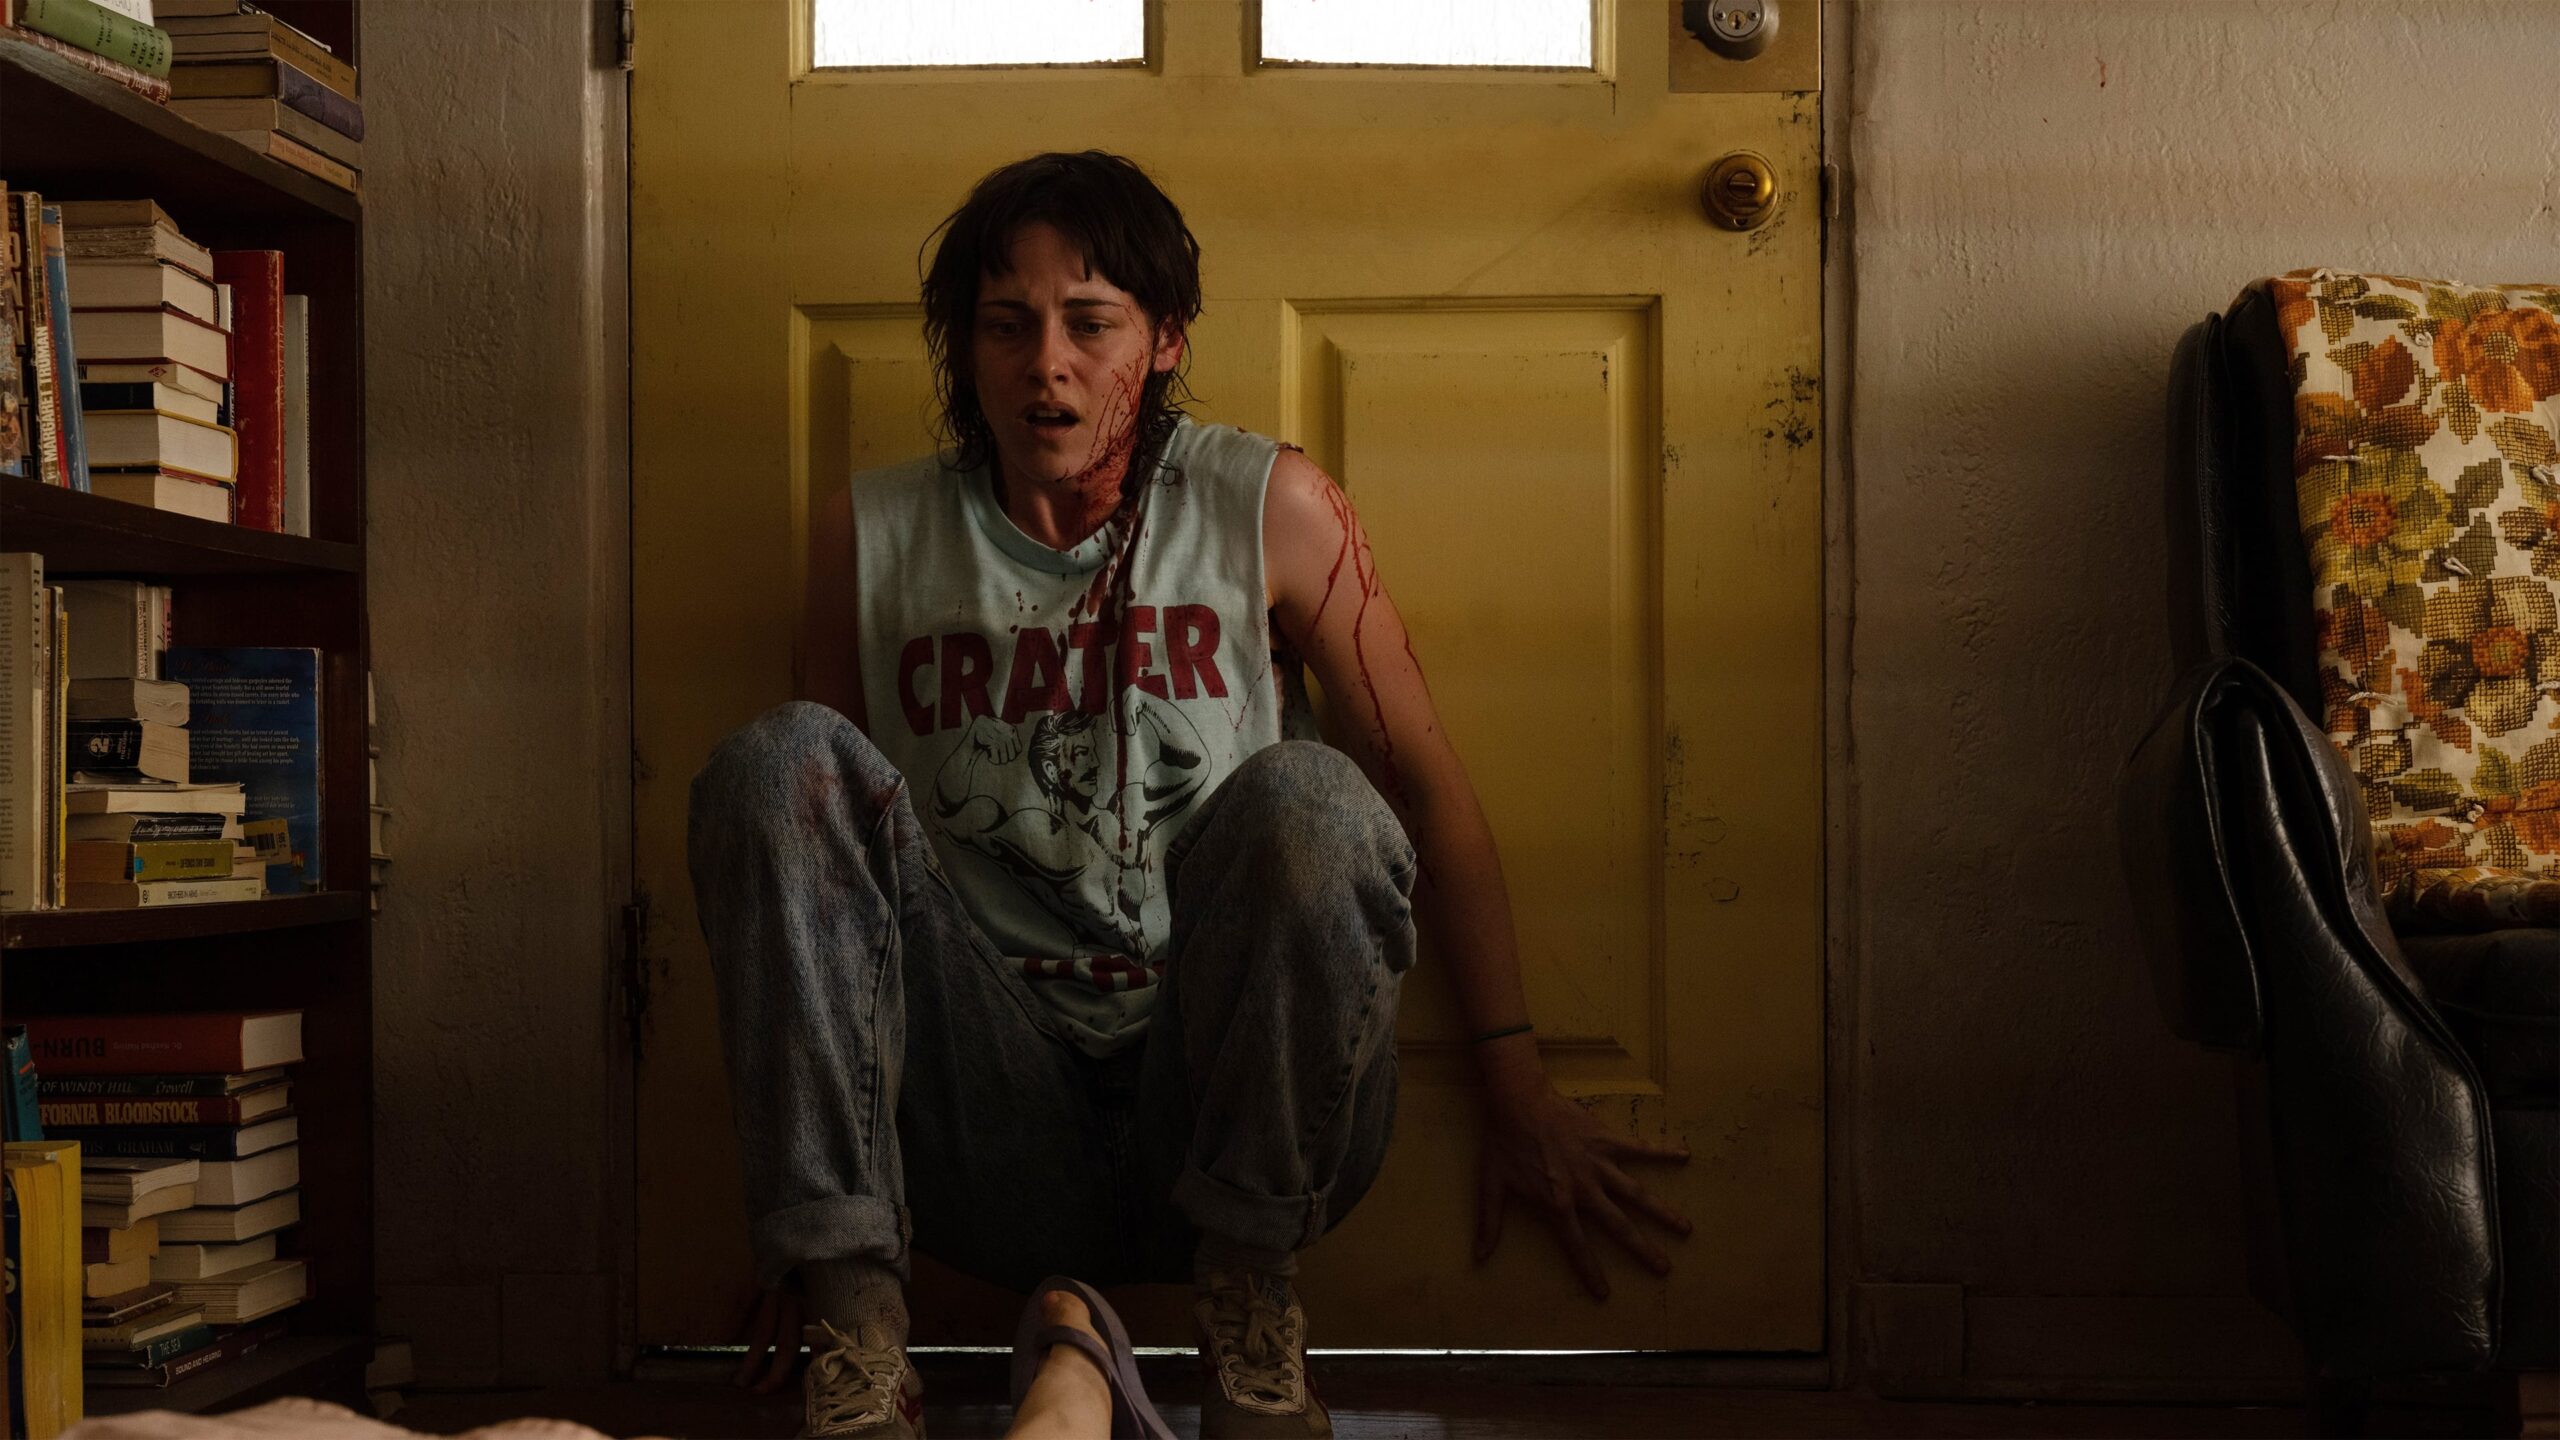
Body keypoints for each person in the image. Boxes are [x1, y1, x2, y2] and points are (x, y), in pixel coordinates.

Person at [687, 150, 1694, 1440]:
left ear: (1164, 340)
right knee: (778, 763)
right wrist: (809, 1231)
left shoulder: (1267, 504)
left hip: (1229, 1104)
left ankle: (1253, 1320)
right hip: (979, 1129)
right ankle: (859, 1339)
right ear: (964, 347)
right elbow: (818, 875)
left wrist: (1516, 1081)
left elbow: (1424, 792)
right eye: (1005, 325)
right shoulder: (868, 534)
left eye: (1090, 323)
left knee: (1315, 798)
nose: (1046, 364)